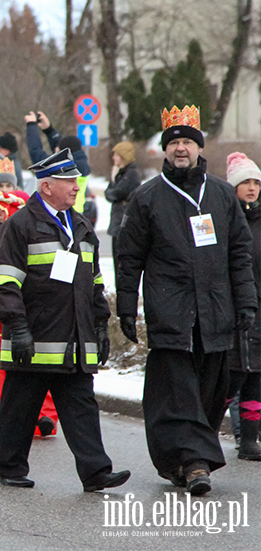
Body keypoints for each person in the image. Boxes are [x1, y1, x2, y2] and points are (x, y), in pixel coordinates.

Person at [116, 106, 256, 496]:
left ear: (198, 148)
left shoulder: (222, 195)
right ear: (165, 149)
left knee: (210, 393)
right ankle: (195, 464)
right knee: (178, 392)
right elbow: (129, 259)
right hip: (171, 312)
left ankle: (184, 459)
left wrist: (246, 303)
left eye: (187, 142)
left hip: (216, 312)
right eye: (174, 142)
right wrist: (126, 307)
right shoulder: (147, 198)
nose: (181, 149)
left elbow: (239, 254)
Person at [0, 148, 129, 492]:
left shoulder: (81, 226)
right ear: (46, 186)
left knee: (82, 408)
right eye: (69, 181)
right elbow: (4, 282)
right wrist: (17, 327)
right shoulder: (19, 225)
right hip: (33, 340)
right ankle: (11, 468)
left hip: (76, 342)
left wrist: (100, 325)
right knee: (19, 409)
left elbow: (94, 281)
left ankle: (96, 472)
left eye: (77, 181)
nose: (76, 187)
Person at [0, 153, 57, 436]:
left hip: (20, 304)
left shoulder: (27, 213)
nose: (3, 193)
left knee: (31, 364)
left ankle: (41, 416)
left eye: (8, 187)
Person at [225, 152, 261, 461]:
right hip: (231, 308)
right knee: (231, 376)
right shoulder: (225, 217)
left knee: (255, 378)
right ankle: (205, 435)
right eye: (245, 182)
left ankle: (249, 440)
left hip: (258, 308)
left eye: (256, 182)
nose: (251, 188)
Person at [25, 111, 91, 212]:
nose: (55, 149)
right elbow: (63, 146)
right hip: (75, 213)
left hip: (59, 213)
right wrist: (48, 130)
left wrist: (31, 126)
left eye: (58, 149)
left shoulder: (63, 169)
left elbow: (36, 152)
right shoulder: (80, 162)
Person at [103, 140, 141, 271]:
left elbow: (116, 193)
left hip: (124, 226)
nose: (113, 158)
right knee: (117, 265)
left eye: (116, 155)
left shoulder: (131, 174)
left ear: (124, 156)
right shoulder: (120, 173)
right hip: (118, 225)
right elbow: (108, 194)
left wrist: (113, 186)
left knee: (122, 266)